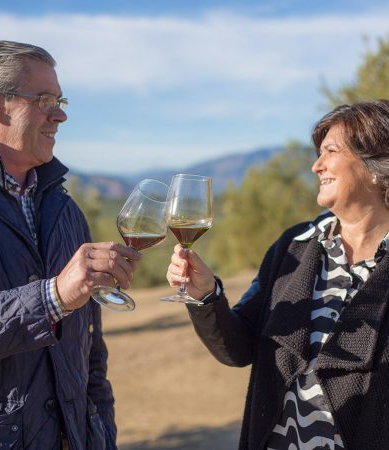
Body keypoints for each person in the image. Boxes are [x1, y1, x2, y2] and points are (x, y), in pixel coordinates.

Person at [166, 99, 389, 450]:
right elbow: (237, 348)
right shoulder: (292, 247)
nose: (316, 166)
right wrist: (206, 294)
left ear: (377, 165)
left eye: (330, 151)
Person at [0, 40, 141, 449]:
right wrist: (53, 296)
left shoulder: (65, 210)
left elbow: (91, 352)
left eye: (60, 100)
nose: (60, 114)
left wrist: (100, 434)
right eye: (43, 99)